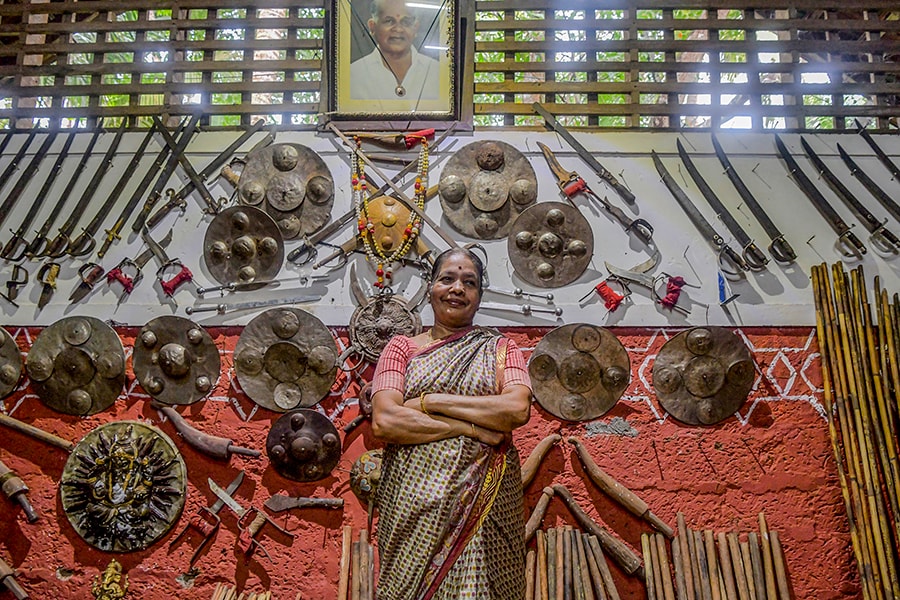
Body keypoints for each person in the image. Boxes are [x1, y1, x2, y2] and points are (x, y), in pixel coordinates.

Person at [371, 248, 533, 600]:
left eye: (469, 282)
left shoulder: (502, 349)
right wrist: (471, 428)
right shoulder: (400, 349)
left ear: (478, 296)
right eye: (447, 279)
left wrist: (431, 401)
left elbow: (516, 410)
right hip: (411, 511)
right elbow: (385, 421)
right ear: (431, 289)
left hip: (483, 511)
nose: (457, 288)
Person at [349, 0, 441, 102]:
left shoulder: (437, 72)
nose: (398, 29)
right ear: (372, 27)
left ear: (415, 28)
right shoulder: (353, 75)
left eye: (406, 22)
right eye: (389, 21)